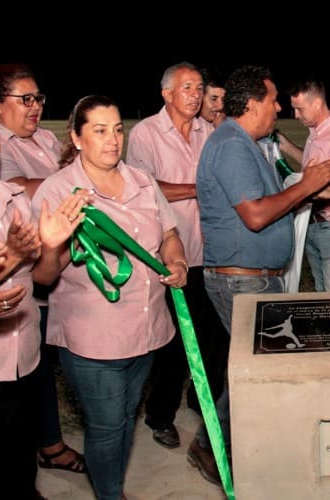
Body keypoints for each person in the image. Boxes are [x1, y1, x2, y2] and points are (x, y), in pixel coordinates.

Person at [193, 65, 330, 486]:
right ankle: (214, 445)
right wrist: (309, 184)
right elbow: (256, 214)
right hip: (240, 279)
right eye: (272, 100)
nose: (279, 107)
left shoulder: (249, 143)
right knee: (251, 370)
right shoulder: (231, 145)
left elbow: (272, 199)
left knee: (249, 367)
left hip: (256, 276)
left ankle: (219, 441)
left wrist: (315, 191)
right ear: (251, 104)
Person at [32, 95, 188, 499]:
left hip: (148, 331)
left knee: (124, 419)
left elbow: (168, 233)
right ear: (77, 137)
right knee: (105, 427)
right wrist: (55, 244)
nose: (113, 139)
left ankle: (112, 488)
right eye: (100, 130)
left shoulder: (142, 181)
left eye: (118, 129)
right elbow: (42, 276)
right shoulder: (59, 191)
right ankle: (110, 494)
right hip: (93, 340)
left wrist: (177, 261)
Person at [0, 99, 85, 498]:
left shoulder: (13, 198)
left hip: (25, 362)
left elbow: (42, 277)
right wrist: (15, 255)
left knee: (20, 473)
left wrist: (55, 247)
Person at [126, 62, 228, 450]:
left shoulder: (210, 132)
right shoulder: (146, 134)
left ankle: (203, 406)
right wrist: (200, 188)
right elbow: (147, 191)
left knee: (213, 339)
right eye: (187, 87)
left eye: (199, 87)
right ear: (167, 93)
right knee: (172, 344)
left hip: (211, 253)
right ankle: (159, 416)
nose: (195, 94)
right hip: (170, 259)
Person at [280, 79, 330, 291]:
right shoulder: (316, 134)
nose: (296, 115)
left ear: (316, 103)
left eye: (299, 109)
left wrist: (306, 194)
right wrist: (286, 146)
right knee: (321, 293)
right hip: (312, 223)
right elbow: (316, 172)